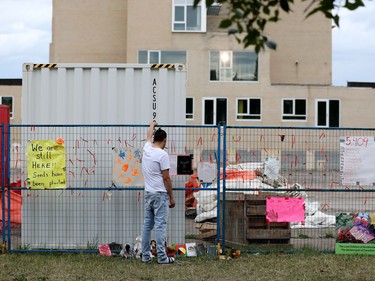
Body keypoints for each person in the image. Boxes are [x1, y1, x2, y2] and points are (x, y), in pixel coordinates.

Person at [141, 121, 176, 264]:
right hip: (160, 195)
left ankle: (145, 256)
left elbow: (148, 137)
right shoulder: (162, 155)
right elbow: (166, 178)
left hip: (148, 193)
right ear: (165, 140)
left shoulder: (146, 148)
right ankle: (162, 257)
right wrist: (171, 198)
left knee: (147, 226)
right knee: (160, 226)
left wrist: (151, 125)